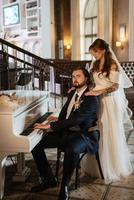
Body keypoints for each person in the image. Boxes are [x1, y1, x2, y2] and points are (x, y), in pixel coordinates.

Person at [30, 67, 100, 200]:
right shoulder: (72, 93)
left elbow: (76, 119)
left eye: (78, 76)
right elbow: (67, 113)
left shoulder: (91, 98)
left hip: (84, 135)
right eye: (73, 76)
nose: (75, 79)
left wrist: (50, 126)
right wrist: (57, 119)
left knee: (72, 148)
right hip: (67, 132)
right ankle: (48, 179)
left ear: (86, 78)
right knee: (35, 143)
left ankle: (65, 186)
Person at [83, 38, 133, 183]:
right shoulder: (95, 64)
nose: (94, 56)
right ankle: (97, 164)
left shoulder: (112, 65)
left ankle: (112, 166)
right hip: (97, 101)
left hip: (110, 101)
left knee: (109, 130)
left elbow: (115, 86)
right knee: (98, 130)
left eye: (95, 53)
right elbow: (93, 82)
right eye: (93, 54)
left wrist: (100, 92)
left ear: (103, 50)